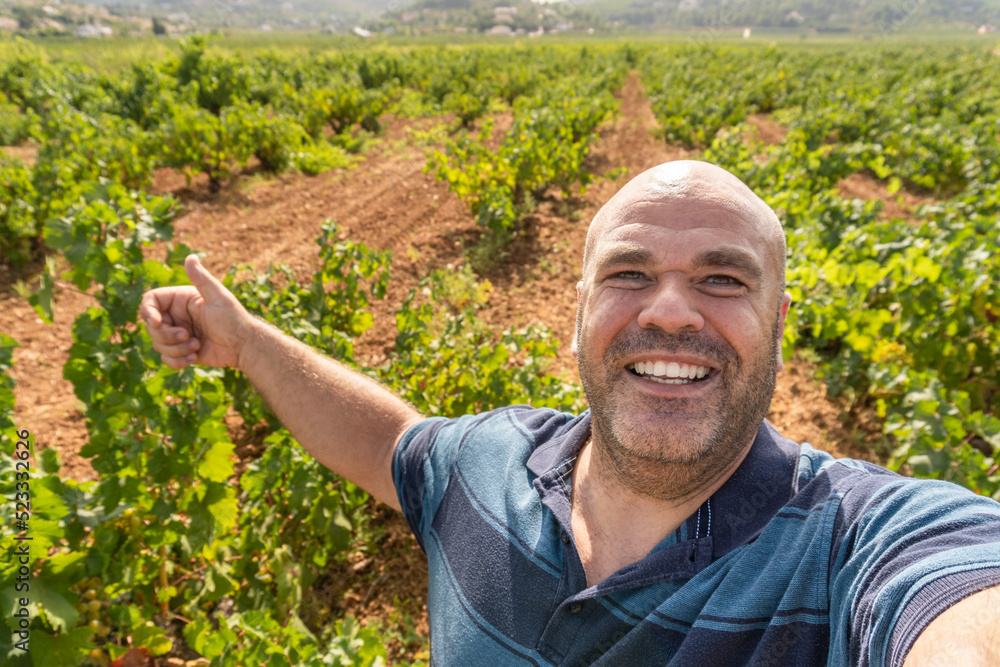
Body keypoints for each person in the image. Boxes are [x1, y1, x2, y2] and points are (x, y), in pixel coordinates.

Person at [140, 161, 1000, 666]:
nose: (669, 311)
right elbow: (388, 444)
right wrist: (249, 344)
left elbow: (962, 600)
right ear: (579, 307)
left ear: (779, 320)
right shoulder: (488, 461)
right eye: (629, 273)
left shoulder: (854, 542)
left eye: (722, 278)